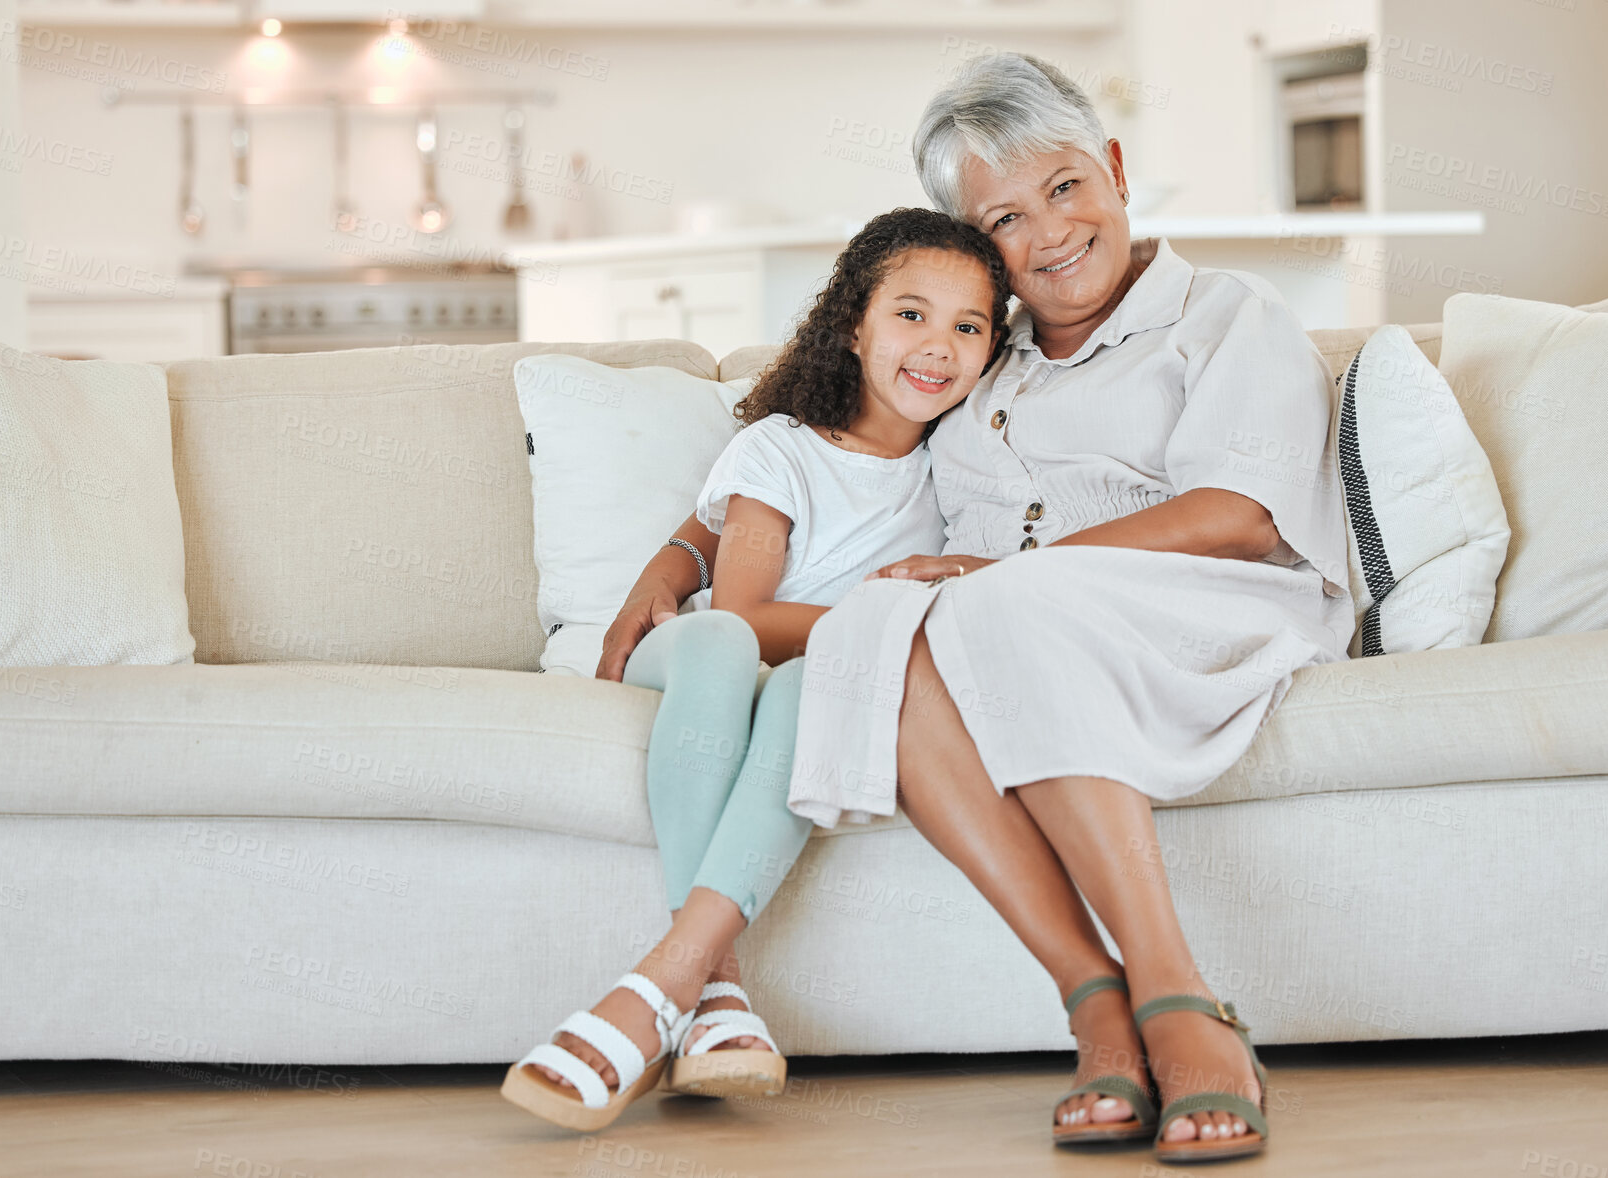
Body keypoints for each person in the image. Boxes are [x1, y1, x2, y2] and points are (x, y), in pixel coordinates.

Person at [598, 54, 1354, 1163]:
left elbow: (1238, 513)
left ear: (1112, 168)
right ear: (972, 247)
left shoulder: (1224, 314)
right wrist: (682, 546)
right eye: (1002, 216)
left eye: (1061, 187)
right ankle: (1093, 1005)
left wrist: (994, 577)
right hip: (994, 632)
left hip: (1203, 608)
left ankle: (1177, 997)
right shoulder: (977, 359)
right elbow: (823, 432)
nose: (1048, 233)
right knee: (878, 632)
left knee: (977, 610)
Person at [502, 207, 1011, 1132]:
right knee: (730, 644)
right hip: (699, 655)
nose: (937, 346)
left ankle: (691, 998)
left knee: (820, 686)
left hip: (809, 675)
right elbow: (738, 611)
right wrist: (876, 617)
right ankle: (713, 978)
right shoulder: (778, 447)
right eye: (909, 315)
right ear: (853, 326)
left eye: (967, 326)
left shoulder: (957, 476)